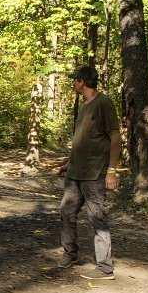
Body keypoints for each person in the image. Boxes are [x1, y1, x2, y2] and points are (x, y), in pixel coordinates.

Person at [57, 65, 121, 280]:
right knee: (66, 211)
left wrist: (112, 171)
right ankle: (70, 254)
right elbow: (82, 141)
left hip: (95, 173)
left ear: (82, 82)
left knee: (97, 217)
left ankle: (105, 268)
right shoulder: (84, 106)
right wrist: (69, 162)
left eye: (75, 80)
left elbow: (115, 137)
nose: (73, 83)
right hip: (75, 172)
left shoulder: (103, 103)